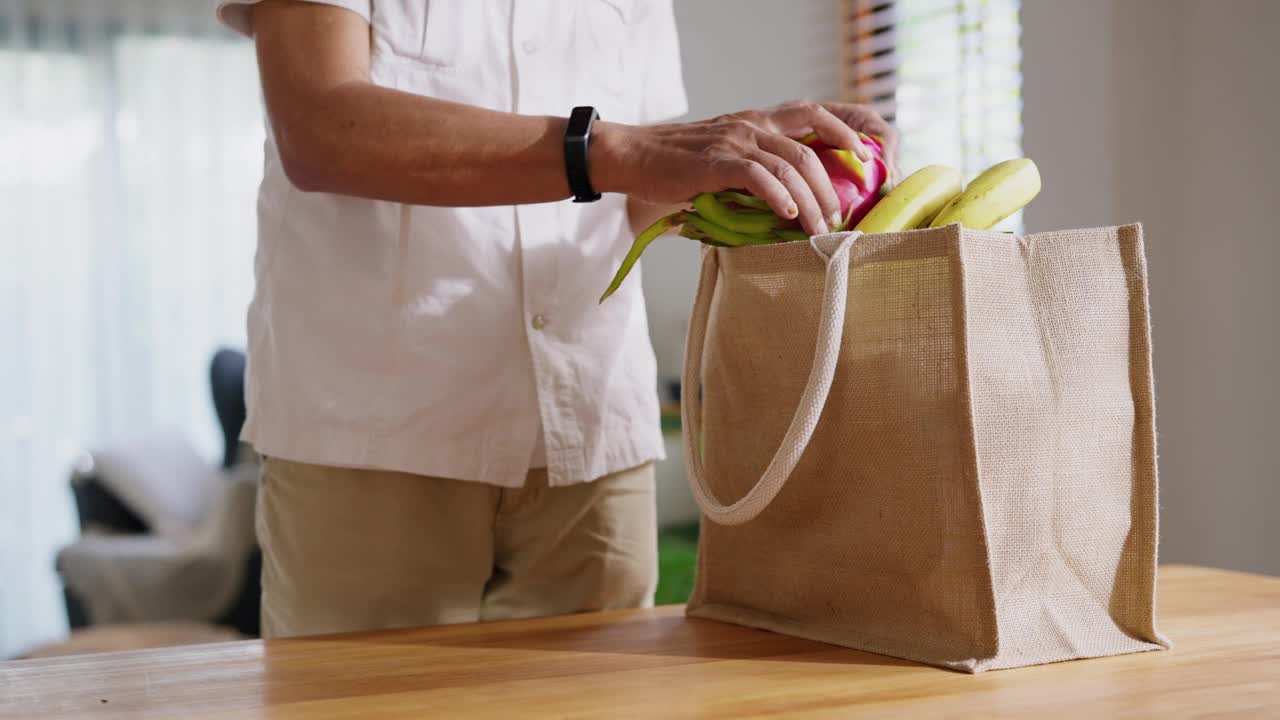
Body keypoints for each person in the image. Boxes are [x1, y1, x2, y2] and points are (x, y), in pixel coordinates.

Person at [215, 0, 897, 638]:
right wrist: (614, 152)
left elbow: (641, 188)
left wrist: (748, 168)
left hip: (592, 433)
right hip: (375, 429)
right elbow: (320, 126)